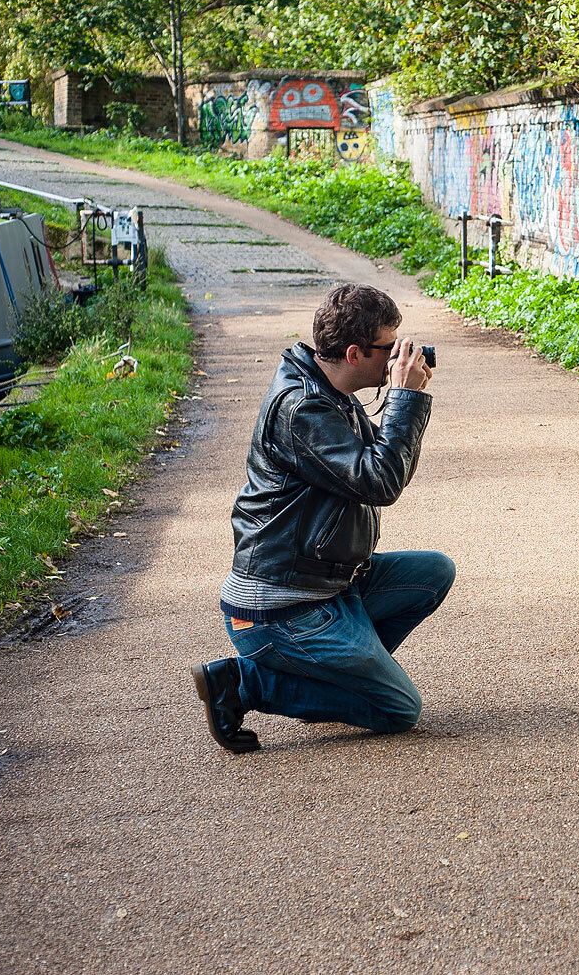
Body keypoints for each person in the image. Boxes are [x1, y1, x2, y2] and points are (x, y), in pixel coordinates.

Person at [191, 283, 454, 753]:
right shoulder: (303, 408)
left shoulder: (332, 388)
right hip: (280, 607)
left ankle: (336, 680)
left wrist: (401, 400)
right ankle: (246, 683)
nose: (400, 356)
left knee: (433, 572)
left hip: (330, 584)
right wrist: (406, 399)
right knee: (399, 710)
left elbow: (383, 465)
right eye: (389, 348)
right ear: (355, 353)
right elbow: (380, 481)